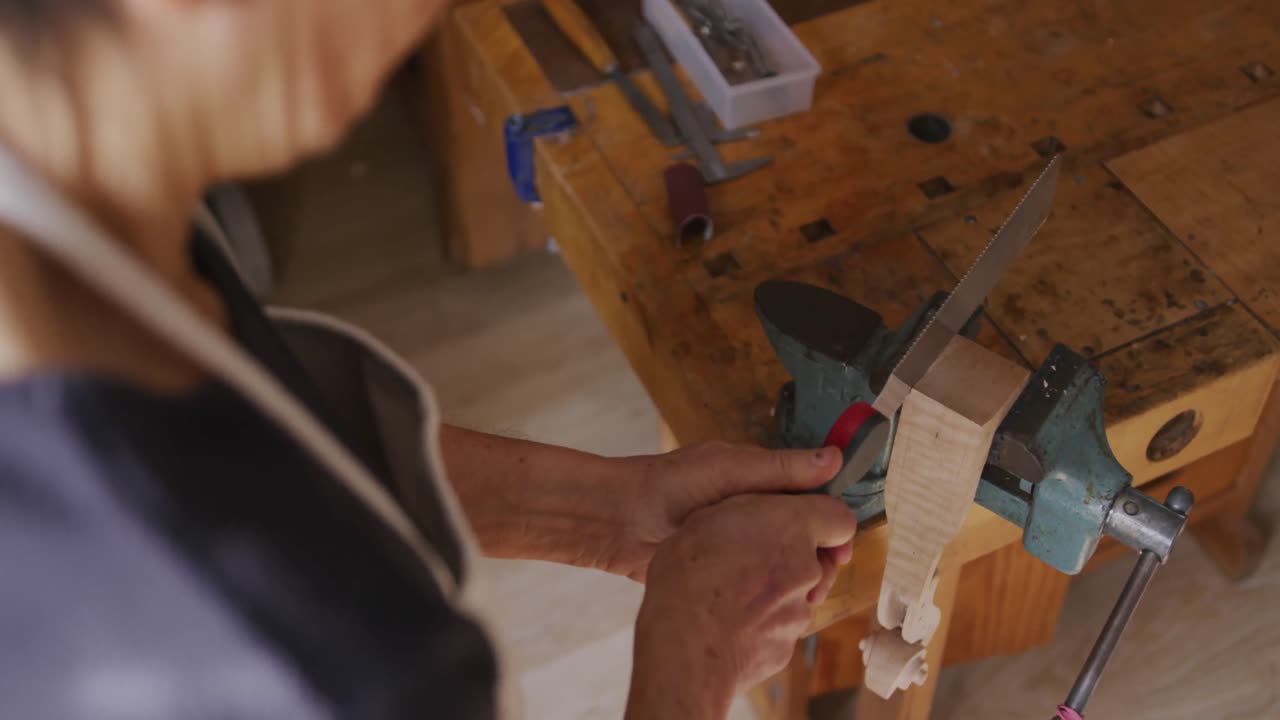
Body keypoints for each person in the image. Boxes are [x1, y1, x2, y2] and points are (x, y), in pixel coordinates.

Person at [0, 2, 858, 718]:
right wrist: (697, 652)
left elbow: (265, 426)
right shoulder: (293, 663)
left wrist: (608, 512)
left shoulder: (73, 181)